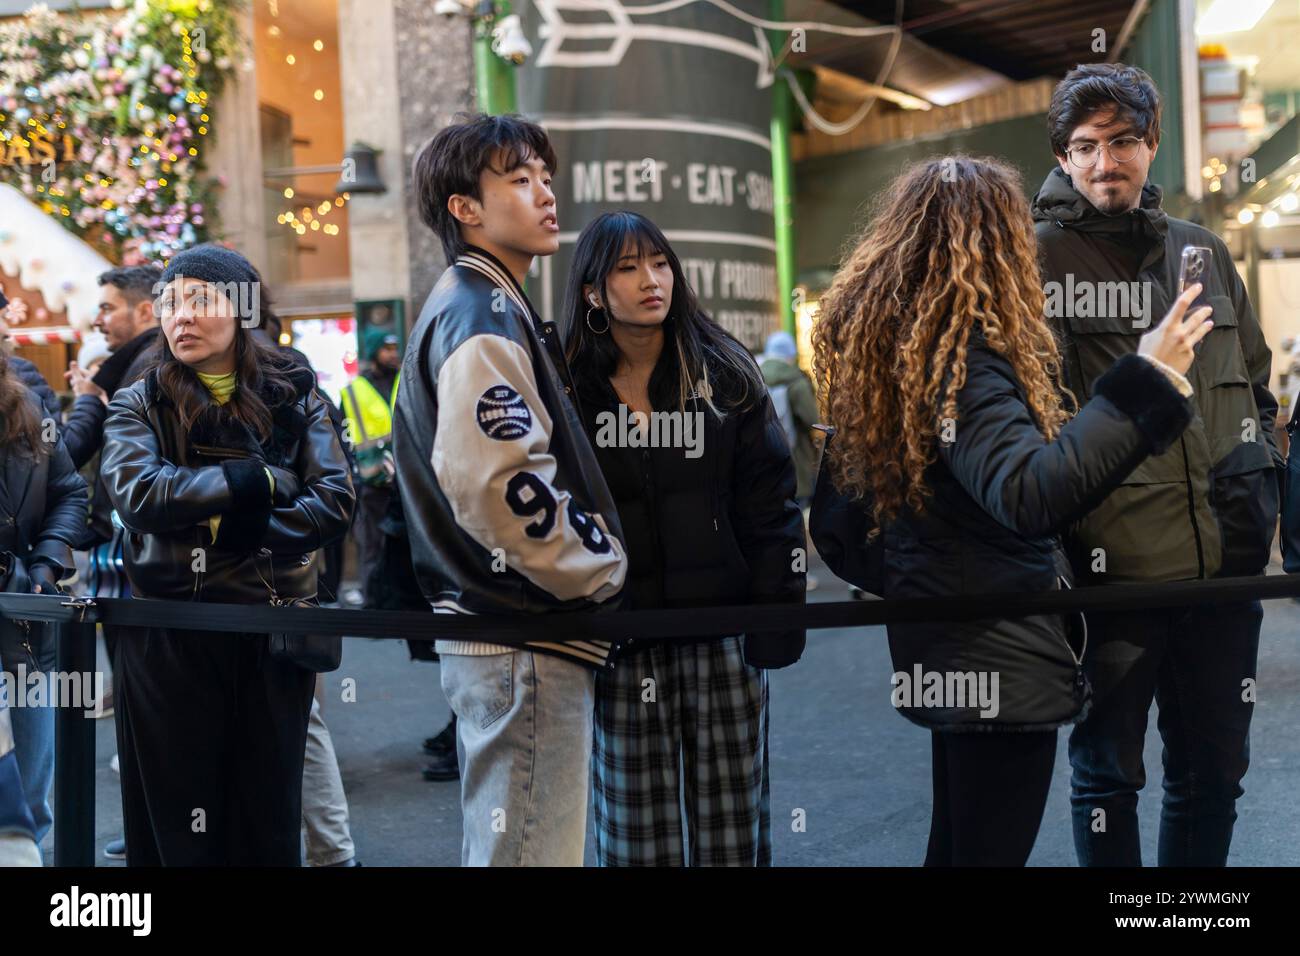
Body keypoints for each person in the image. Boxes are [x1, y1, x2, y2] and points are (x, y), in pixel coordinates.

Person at [811, 156, 1208, 866]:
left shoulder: (911, 352)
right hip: (995, 649)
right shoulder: (962, 360)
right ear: (993, 244)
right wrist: (1149, 377)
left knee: (961, 850)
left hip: (954, 641)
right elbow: (1029, 491)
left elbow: (847, 530)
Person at [1032, 64, 1280, 867]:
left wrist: (1256, 493)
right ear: (1065, 159)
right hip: (1113, 576)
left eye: (1125, 141)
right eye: (1088, 146)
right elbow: (1032, 423)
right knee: (1109, 775)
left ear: (1152, 145)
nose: (1109, 162)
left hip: (1224, 570)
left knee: (1214, 774)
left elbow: (1257, 386)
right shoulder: (1036, 260)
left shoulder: (1201, 252)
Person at [393, 113, 628, 866]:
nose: (545, 195)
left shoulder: (478, 302)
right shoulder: (481, 309)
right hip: (521, 631)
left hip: (503, 630)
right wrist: (600, 569)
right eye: (519, 180)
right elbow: (497, 484)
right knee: (530, 852)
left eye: (546, 179)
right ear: (465, 208)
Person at [100, 243, 355, 865]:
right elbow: (138, 495)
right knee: (181, 822)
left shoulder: (295, 395)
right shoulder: (141, 400)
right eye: (168, 303)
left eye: (199, 300)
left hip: (271, 633)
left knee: (266, 818)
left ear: (242, 308)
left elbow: (334, 501)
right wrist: (253, 484)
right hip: (171, 636)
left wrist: (223, 527)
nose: (179, 316)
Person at [565, 210, 805, 866]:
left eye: (660, 262)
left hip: (721, 634)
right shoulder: (567, 386)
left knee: (731, 833)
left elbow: (771, 505)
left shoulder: (724, 371)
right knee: (634, 838)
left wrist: (777, 615)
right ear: (592, 291)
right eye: (627, 266)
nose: (651, 280)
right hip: (620, 640)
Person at [0, 350, 88, 848]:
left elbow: (69, 492)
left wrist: (47, 561)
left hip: (25, 614)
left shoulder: (28, 404)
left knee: (33, 782)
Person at [340, 329, 400, 607]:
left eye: (394, 349)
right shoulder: (353, 392)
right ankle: (374, 603)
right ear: (374, 352)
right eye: (386, 349)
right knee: (372, 543)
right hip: (370, 480)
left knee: (404, 543)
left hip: (405, 479)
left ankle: (402, 600)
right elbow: (343, 436)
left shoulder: (406, 381)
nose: (392, 354)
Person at [758, 331, 819, 505]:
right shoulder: (797, 382)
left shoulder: (754, 376)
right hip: (797, 465)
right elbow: (813, 421)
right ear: (791, 354)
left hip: (765, 467)